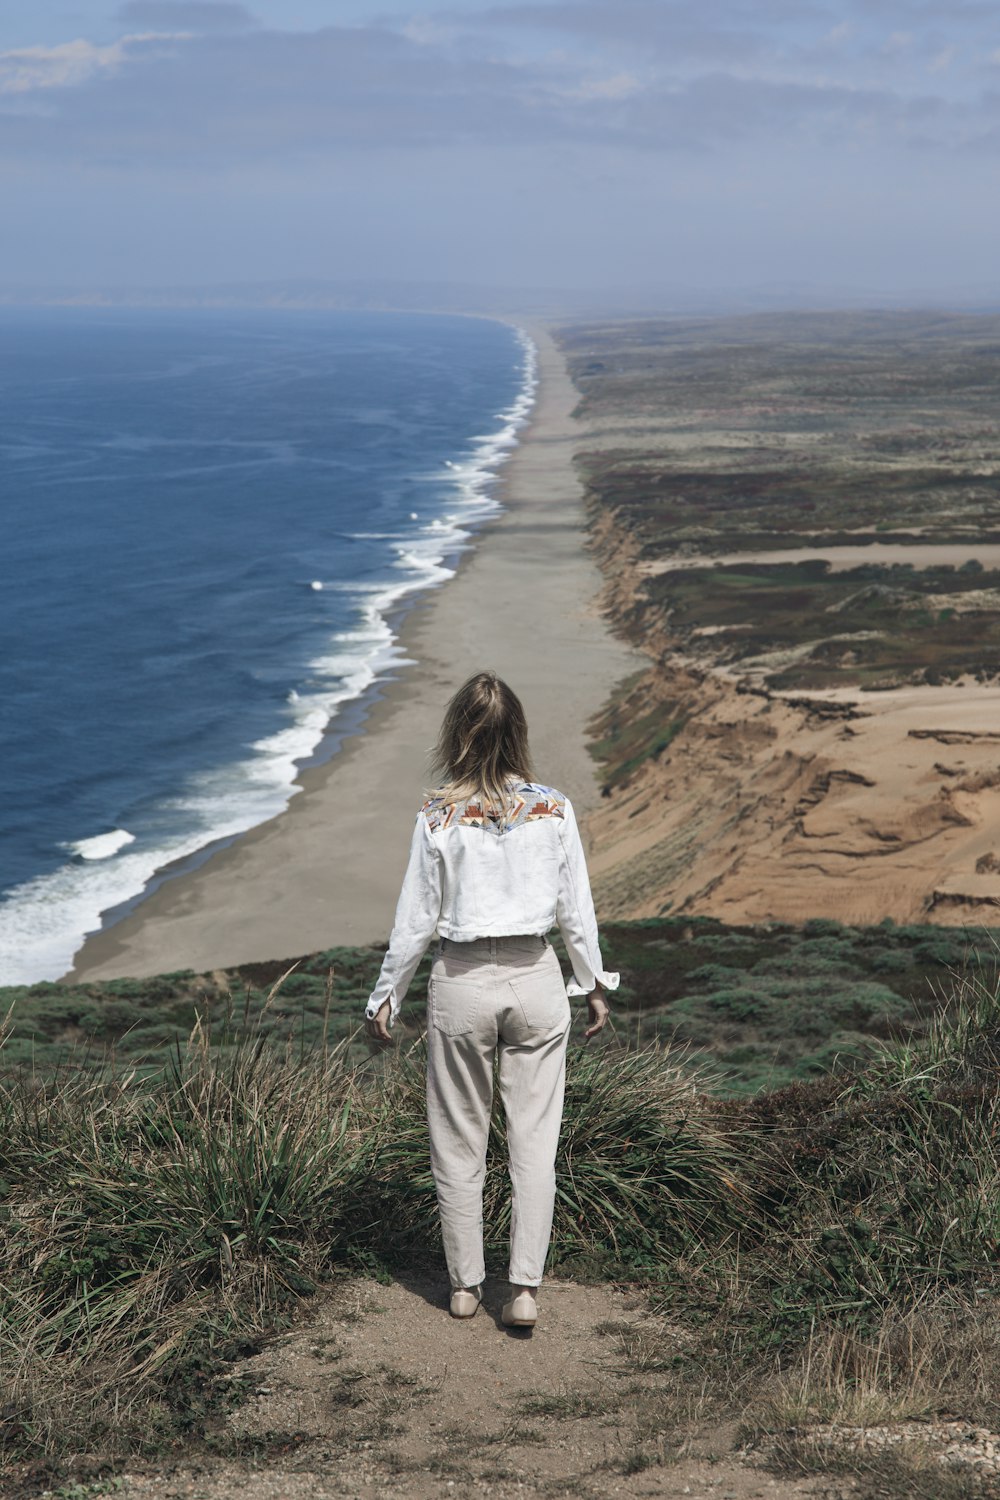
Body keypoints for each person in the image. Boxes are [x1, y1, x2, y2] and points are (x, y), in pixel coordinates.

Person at [363, 669, 618, 1329]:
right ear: (518, 733)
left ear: (457, 734)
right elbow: (575, 911)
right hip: (536, 976)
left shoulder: (437, 814)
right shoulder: (555, 808)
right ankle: (525, 1289)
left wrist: (384, 995)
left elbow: (415, 919)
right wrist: (591, 982)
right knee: (534, 1143)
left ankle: (465, 1287)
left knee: (458, 1142)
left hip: (462, 982)